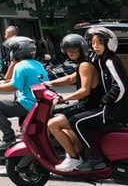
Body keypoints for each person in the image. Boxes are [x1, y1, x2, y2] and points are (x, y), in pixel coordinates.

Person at [71, 25, 128, 172]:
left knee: (76, 121)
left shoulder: (111, 61)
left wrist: (105, 100)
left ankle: (95, 159)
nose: (95, 46)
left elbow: (120, 87)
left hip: (118, 110)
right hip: (114, 108)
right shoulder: (99, 59)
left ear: (108, 43)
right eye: (93, 42)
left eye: (99, 42)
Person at [47, 33, 101, 173]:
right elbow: (71, 78)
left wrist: (64, 98)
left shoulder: (85, 65)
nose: (70, 52)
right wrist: (50, 83)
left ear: (82, 49)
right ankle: (77, 152)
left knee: (53, 124)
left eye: (74, 49)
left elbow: (84, 91)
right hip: (86, 105)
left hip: (89, 106)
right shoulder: (83, 64)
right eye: (67, 49)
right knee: (60, 120)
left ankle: (74, 158)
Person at [0, 35, 48, 151]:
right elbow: (23, 80)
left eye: (13, 50)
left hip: (28, 105)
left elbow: (13, 87)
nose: (11, 53)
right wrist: (3, 82)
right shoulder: (37, 64)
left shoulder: (20, 65)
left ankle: (8, 138)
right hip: (39, 104)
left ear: (19, 51)